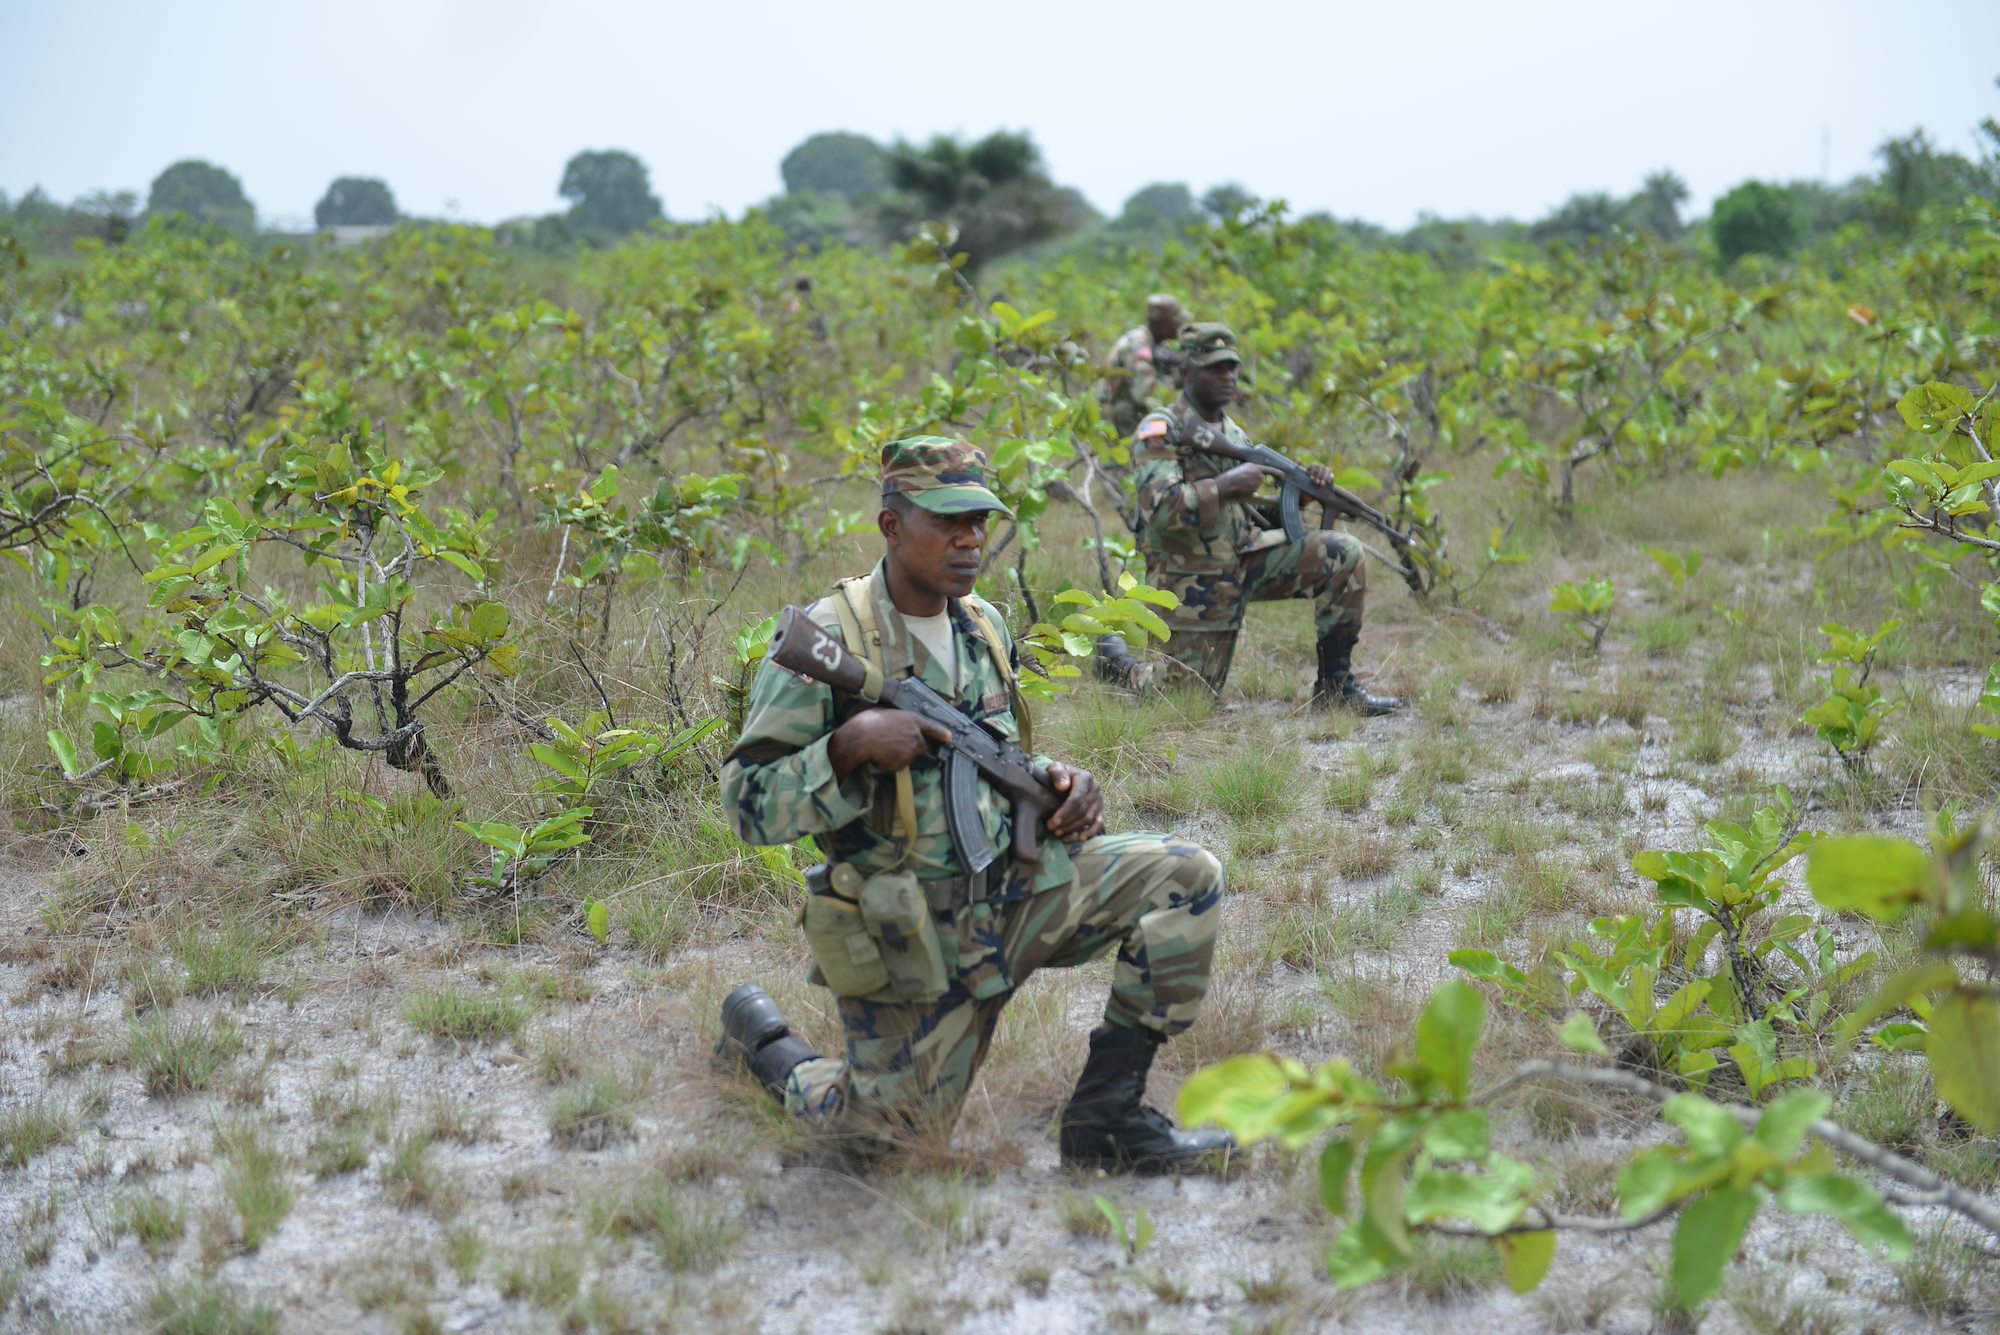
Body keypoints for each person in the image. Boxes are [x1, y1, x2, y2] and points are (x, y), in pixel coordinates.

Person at [717, 436, 1234, 1173]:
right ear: (892, 526)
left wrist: (1059, 780)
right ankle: (765, 1046)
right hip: (917, 938)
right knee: (881, 1149)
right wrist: (847, 745)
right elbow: (746, 806)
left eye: (979, 522)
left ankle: (1106, 1121)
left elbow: (993, 751)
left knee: (1187, 876)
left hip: (1020, 894)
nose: (969, 540)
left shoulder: (983, 624)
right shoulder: (831, 639)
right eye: (946, 521)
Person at [1132, 323, 1402, 713]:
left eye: (1232, 368)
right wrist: (1225, 484)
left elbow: (1256, 516)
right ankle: (1121, 665)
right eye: (1214, 368)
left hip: (1242, 562)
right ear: (1187, 373)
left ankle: (1336, 690)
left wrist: (1305, 494)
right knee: (1183, 705)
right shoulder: (1161, 430)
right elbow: (1159, 511)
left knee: (1342, 552)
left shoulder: (1235, 435)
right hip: (1188, 581)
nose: (1227, 377)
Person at [1099, 294, 1188, 437]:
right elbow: (1145, 395)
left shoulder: (1157, 344)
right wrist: (1177, 380)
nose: (1180, 327)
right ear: (1165, 325)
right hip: (1119, 419)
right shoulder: (1138, 345)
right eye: (1177, 322)